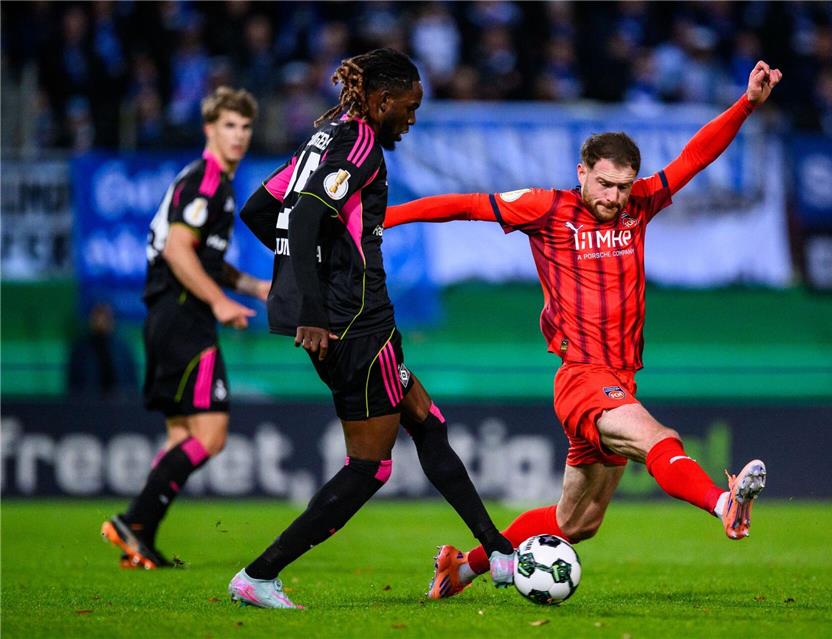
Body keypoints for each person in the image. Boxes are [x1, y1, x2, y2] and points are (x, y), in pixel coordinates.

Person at [385, 61, 782, 599]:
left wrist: (747, 103)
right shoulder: (547, 209)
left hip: (620, 378)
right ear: (582, 171)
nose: (614, 196)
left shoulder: (639, 205)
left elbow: (695, 156)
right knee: (659, 439)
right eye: (604, 183)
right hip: (581, 378)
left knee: (577, 523)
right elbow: (466, 206)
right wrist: (384, 218)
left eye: (622, 186)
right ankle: (723, 502)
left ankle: (462, 567)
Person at [227, 48, 515, 609]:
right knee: (369, 468)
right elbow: (305, 215)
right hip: (355, 324)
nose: (411, 119)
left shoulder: (327, 138)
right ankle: (258, 576)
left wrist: (312, 274)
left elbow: (263, 209)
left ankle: (496, 552)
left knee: (428, 424)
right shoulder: (357, 144)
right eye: (408, 108)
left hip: (355, 318)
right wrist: (315, 304)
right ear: (382, 101)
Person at [101, 87, 270, 569]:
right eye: (229, 126)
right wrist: (219, 303)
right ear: (209, 130)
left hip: (167, 314)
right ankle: (133, 522)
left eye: (244, 127)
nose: (238, 136)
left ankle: (139, 539)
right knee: (212, 434)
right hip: (183, 315)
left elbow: (203, 258)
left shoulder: (214, 183)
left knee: (181, 435)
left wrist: (253, 287)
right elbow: (178, 249)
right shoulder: (207, 182)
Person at [67, 303, 138, 399]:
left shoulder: (123, 349)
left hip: (119, 405)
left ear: (113, 320)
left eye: (106, 317)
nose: (101, 321)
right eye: (97, 317)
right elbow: (74, 384)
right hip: (87, 405)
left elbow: (131, 382)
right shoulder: (80, 350)